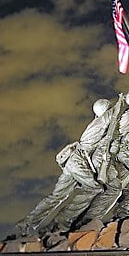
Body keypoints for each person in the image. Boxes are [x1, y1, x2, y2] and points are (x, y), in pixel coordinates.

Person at [15, 98, 112, 235]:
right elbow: (114, 113)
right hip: (78, 162)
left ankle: (27, 223)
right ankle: (63, 220)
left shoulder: (95, 123)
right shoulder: (99, 122)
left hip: (72, 162)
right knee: (94, 187)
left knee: (56, 196)